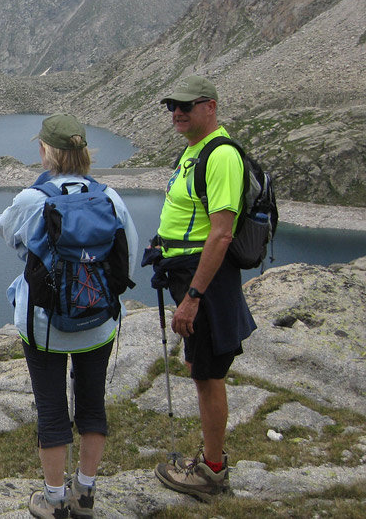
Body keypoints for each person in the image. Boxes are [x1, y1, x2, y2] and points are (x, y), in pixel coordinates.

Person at [0, 113, 138, 519]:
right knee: (92, 405)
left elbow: (5, 232)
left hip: (44, 326)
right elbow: (127, 252)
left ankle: (54, 500)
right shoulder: (110, 198)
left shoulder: (31, 199)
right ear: (85, 152)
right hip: (99, 323)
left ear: (45, 151)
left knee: (52, 409)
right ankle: (86, 495)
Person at [149, 75, 257, 501]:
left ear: (210, 107)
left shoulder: (221, 154)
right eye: (172, 105)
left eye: (186, 106)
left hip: (203, 279)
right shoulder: (194, 151)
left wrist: (193, 298)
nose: (177, 112)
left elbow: (221, 234)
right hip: (186, 270)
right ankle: (210, 464)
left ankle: (212, 473)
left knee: (209, 374)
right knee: (201, 369)